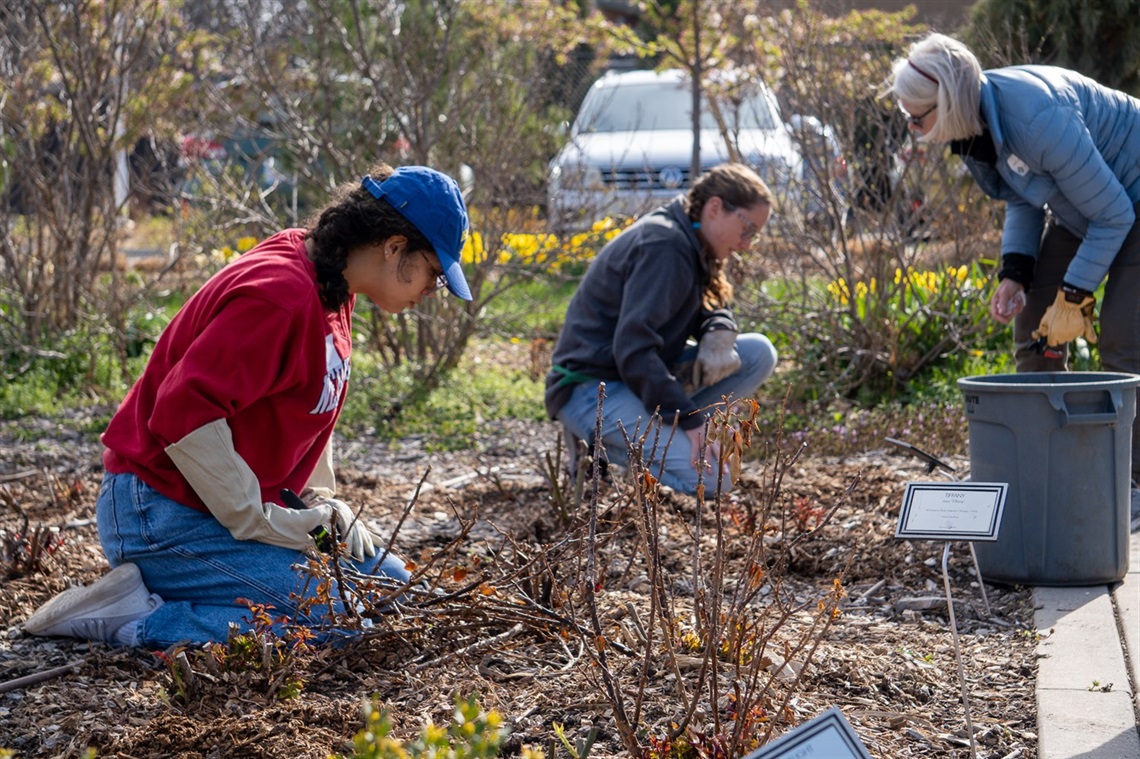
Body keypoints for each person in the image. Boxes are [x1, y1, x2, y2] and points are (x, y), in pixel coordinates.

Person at [23, 163, 472, 648]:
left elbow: (305, 402)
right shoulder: (280, 296)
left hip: (230, 502)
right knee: (342, 622)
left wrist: (318, 506)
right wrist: (264, 520)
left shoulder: (334, 281)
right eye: (434, 272)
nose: (433, 289)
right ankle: (133, 618)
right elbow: (180, 412)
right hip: (160, 509)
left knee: (394, 593)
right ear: (394, 247)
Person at [886, 32, 1140, 530]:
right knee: (1035, 328)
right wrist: (1015, 273)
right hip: (1090, 207)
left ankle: (1131, 482)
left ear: (948, 100)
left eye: (918, 117)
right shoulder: (979, 123)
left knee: (1124, 345)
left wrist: (1075, 295)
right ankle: (1051, 464)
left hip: (1131, 201)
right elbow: (1025, 193)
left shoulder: (1035, 116)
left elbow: (1114, 215)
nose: (913, 129)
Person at [545, 163, 779, 495]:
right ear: (715, 208)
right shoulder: (665, 247)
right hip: (589, 391)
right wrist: (691, 422)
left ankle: (656, 439)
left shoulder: (691, 239)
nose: (747, 244)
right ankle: (600, 447)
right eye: (747, 229)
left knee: (758, 353)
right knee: (715, 480)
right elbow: (634, 351)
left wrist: (718, 330)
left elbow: (710, 305)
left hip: (628, 379)